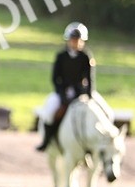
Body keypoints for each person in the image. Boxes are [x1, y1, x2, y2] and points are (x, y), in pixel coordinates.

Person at [35, 22, 113, 151]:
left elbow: (90, 79)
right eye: (73, 40)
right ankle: (47, 141)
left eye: (78, 40)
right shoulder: (61, 57)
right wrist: (62, 93)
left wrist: (89, 94)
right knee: (49, 113)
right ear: (68, 40)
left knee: (108, 113)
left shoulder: (86, 57)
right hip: (63, 91)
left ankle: (104, 143)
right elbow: (55, 78)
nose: (76, 42)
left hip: (82, 92)